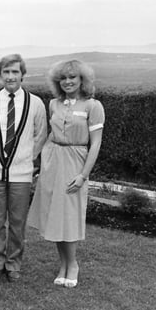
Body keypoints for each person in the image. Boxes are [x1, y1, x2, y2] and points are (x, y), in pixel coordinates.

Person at [28, 60, 104, 288]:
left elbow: (96, 144)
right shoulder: (53, 104)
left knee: (69, 215)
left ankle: (73, 265)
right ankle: (63, 264)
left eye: (73, 77)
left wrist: (83, 175)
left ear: (82, 80)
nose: (68, 82)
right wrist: (37, 160)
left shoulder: (93, 106)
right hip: (53, 161)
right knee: (55, 216)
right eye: (64, 78)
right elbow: (51, 135)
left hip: (75, 162)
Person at [0, 54, 47, 282]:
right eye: (6, 72)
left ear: (22, 74)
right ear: (0, 74)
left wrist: (27, 158)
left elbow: (40, 135)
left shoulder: (35, 103)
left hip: (22, 172)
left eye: (15, 72)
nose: (10, 76)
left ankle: (14, 264)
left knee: (17, 222)